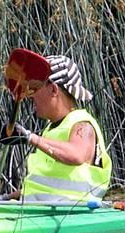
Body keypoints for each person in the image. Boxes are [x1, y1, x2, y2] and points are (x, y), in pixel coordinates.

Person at [6, 54, 112, 204]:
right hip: (41, 211)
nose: (29, 95)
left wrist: (30, 137)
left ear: (54, 90)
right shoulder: (50, 130)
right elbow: (47, 186)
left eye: (34, 88)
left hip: (74, 215)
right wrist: (8, 197)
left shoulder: (82, 125)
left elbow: (76, 155)